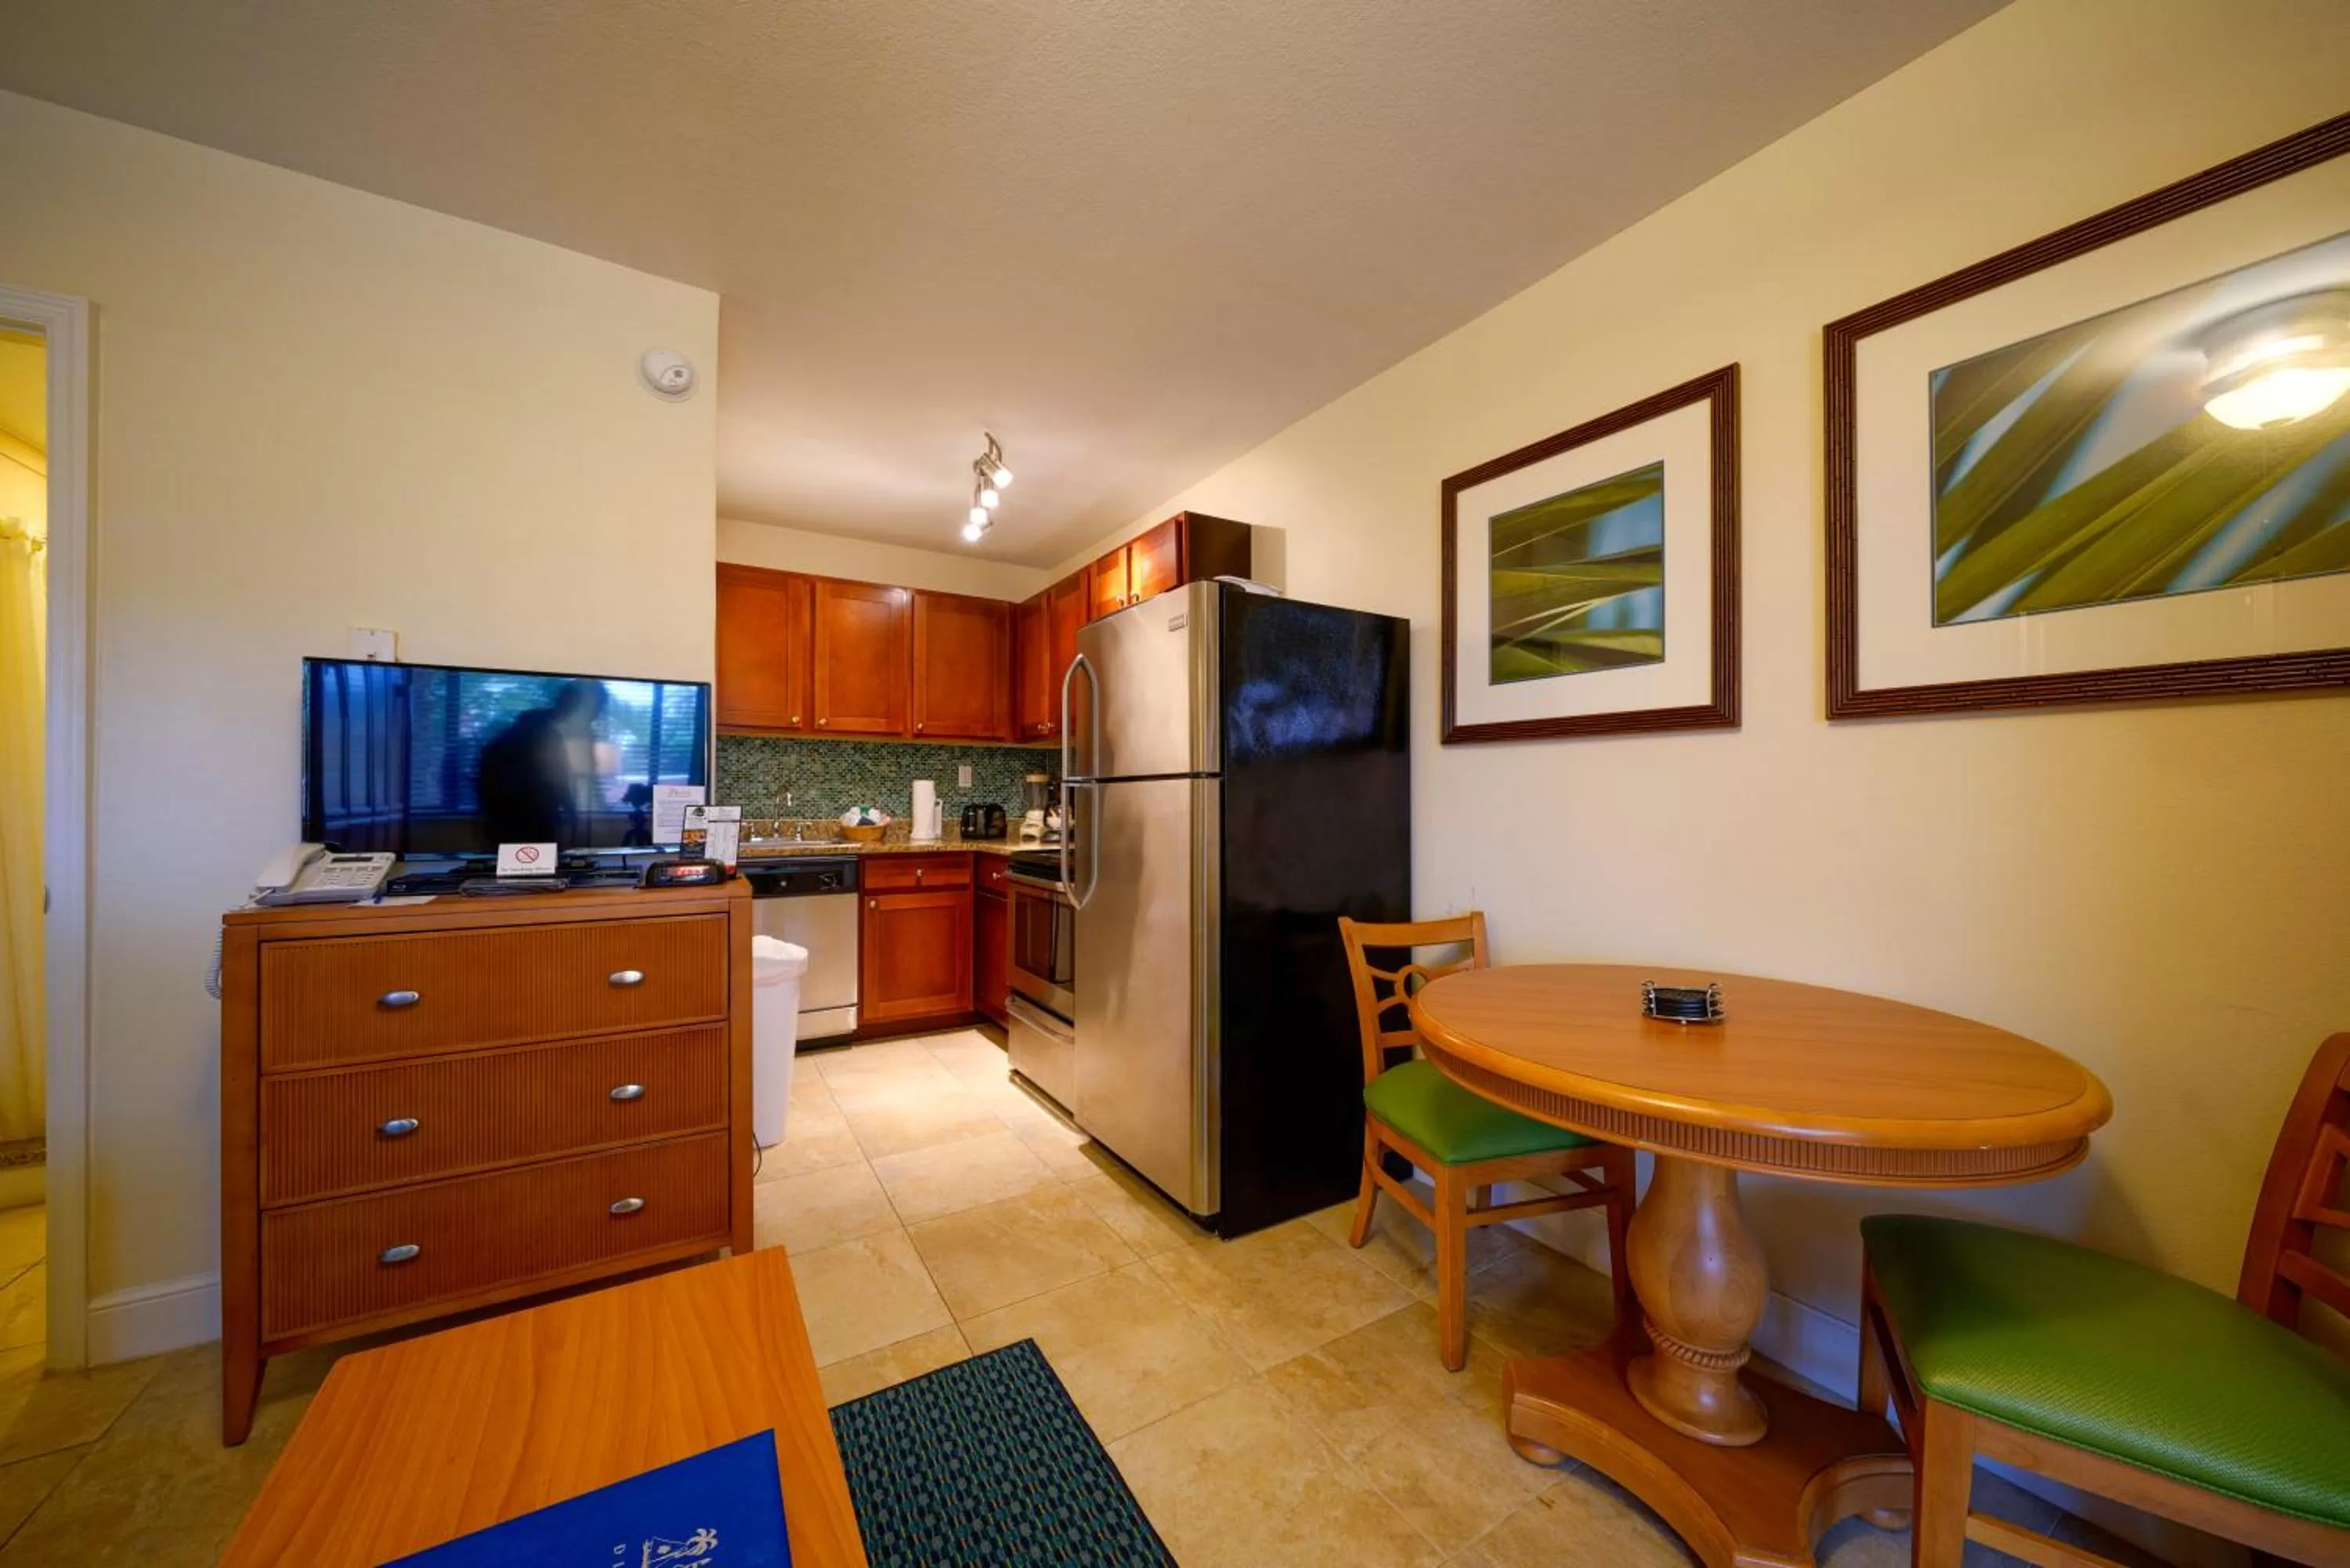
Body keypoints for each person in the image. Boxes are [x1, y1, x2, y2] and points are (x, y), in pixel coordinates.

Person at [477, 679, 609, 847]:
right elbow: (557, 779)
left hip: (532, 821)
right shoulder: (537, 732)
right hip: (520, 822)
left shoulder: (542, 727)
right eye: (594, 709)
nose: (594, 717)